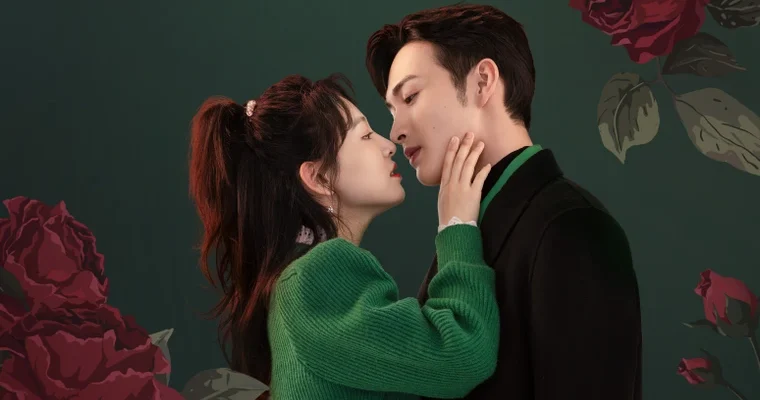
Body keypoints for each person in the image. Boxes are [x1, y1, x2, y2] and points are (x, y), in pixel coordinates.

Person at [365, 4, 642, 400]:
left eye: (410, 96)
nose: (395, 131)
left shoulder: (573, 227)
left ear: (482, 82)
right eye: (392, 110)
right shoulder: (467, 227)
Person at [188, 73, 499, 399]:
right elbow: (463, 356)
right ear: (319, 177)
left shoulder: (299, 281)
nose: (388, 146)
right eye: (365, 135)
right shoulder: (313, 280)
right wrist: (456, 226)